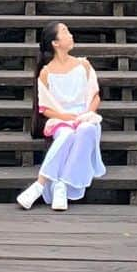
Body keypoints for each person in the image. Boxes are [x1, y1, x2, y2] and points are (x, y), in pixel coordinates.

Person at [16, 20, 106, 211]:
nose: (71, 35)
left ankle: (60, 185)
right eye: (65, 32)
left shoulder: (84, 65)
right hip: (61, 121)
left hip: (84, 117)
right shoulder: (46, 73)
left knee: (86, 130)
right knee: (66, 134)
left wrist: (86, 114)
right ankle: (43, 185)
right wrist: (67, 118)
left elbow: (95, 96)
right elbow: (45, 109)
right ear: (55, 43)